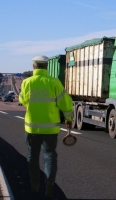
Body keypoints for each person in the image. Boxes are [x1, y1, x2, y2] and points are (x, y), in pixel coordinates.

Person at [19, 55, 73, 198]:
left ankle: (35, 185)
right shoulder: (54, 82)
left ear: (34, 67)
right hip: (50, 129)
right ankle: (49, 186)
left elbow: (23, 101)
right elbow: (65, 103)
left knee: (32, 157)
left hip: (32, 129)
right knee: (49, 157)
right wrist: (68, 118)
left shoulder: (27, 83)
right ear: (46, 67)